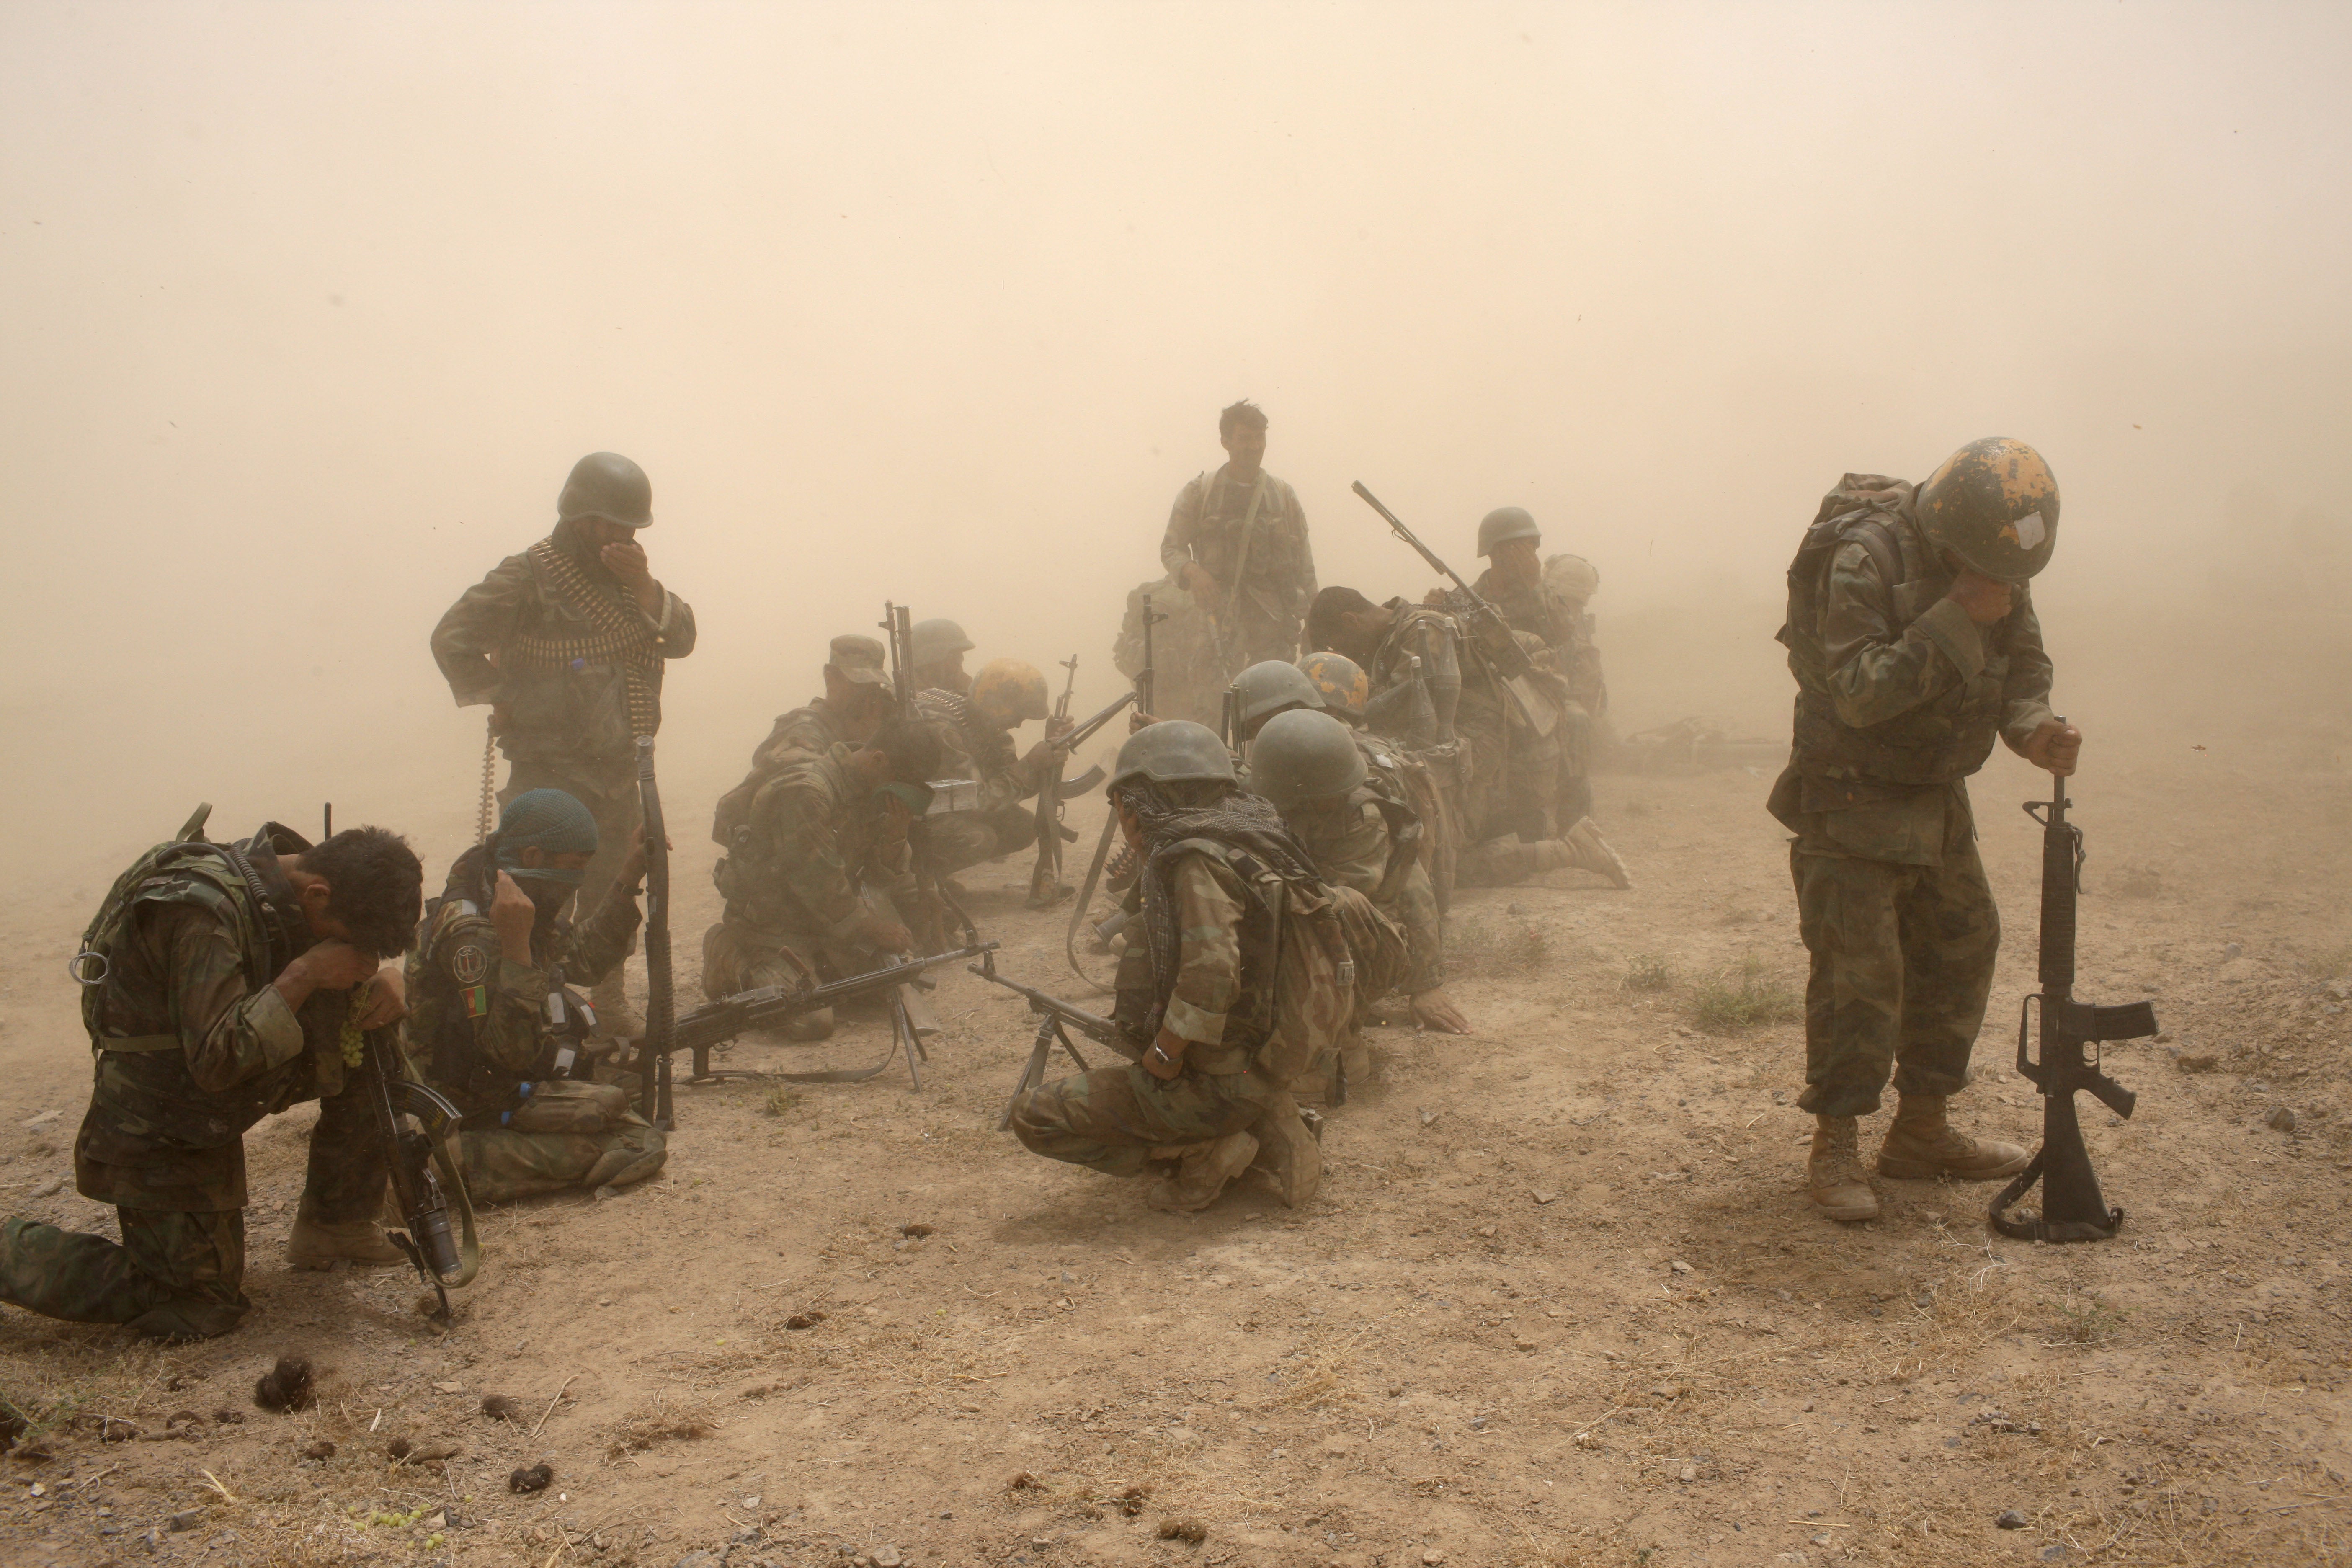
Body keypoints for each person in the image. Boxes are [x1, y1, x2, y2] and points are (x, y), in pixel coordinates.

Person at [1769, 438, 2078, 1224]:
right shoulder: (1865, 558)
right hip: (1850, 791)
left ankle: (1920, 1130)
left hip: (1934, 794)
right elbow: (1858, 692)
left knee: (1961, 946)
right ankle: (1836, 1144)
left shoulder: (1995, 557)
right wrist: (1956, 616)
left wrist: (2034, 727)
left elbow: (2023, 665)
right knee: (1859, 974)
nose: (2002, 585)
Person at [0, 819, 424, 1340]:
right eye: (349, 942)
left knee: (375, 1050)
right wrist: (306, 974)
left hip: (215, 1094)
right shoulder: (200, 911)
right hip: (160, 1114)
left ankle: (335, 1225)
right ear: (318, 894)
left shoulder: (298, 882)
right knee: (200, 1304)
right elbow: (217, 1060)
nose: (353, 954)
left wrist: (384, 978)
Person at [1008, 722, 1351, 1212]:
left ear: (1136, 805)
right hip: (1265, 1061)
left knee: (1034, 1117)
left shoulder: (1195, 861)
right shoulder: (1254, 839)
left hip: (1217, 1079)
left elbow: (1211, 976)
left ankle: (1205, 1151)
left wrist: (1164, 1054)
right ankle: (1268, 1121)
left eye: (1122, 804)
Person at [431, 451, 696, 1042]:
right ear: (580, 516)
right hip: (548, 769)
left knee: (612, 886)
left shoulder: (630, 583)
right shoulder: (529, 575)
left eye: (630, 526)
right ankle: (519, 1015)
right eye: (612, 523)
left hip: (620, 765)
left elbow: (681, 639)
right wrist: (502, 696)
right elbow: (452, 637)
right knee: (537, 891)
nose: (624, 535)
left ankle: (607, 1000)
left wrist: (644, 586)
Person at [405, 791, 666, 1203]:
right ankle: (451, 1162)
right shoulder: (478, 934)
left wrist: (630, 875)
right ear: (532, 856)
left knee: (628, 1088)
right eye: (574, 866)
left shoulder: (509, 892)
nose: (579, 879)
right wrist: (516, 949)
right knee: (636, 1141)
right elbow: (509, 1053)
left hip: (498, 1076)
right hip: (469, 1099)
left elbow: (583, 959)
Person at [1308, 588, 1627, 889]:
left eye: (1337, 646)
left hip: (1471, 749)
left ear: (1351, 621)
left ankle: (1569, 850)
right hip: (1448, 747)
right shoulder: (1398, 634)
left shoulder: (1421, 630)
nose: (1343, 655)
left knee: (1444, 869)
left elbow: (1401, 707)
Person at [1249, 707, 1469, 1075]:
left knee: (1317, 918)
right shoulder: (1274, 792)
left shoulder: (1362, 818)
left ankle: (1338, 1041)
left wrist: (1425, 983)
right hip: (1312, 918)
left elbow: (1334, 908)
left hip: (1355, 935)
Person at [703, 720, 941, 1041]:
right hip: (774, 925)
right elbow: (817, 883)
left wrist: (896, 836)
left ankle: (820, 968)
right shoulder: (807, 792)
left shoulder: (868, 788)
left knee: (889, 984)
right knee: (811, 1021)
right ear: (879, 760)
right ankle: (728, 953)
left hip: (826, 922)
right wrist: (873, 928)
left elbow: (876, 879)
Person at [1158, 401, 1318, 681]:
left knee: (1271, 701)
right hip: (1217, 626)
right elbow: (1171, 548)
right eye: (1245, 438)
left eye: (1260, 438)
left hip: (1273, 629)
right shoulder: (1200, 493)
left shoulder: (1282, 495)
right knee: (1212, 702)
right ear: (1225, 441)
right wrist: (1194, 572)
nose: (1254, 447)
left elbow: (1305, 565)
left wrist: (1314, 623)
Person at [914, 658, 1073, 880]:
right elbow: (975, 801)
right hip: (910, 817)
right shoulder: (942, 727)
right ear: (996, 705)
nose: (1018, 725)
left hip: (942, 809)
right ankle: (916, 883)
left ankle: (931, 880)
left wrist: (1047, 755)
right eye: (1017, 716)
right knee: (979, 838)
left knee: (1023, 826)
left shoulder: (983, 725)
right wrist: (1030, 764)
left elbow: (1006, 791)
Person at [746, 634, 895, 774]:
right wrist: (864, 745)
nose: (868, 695)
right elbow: (809, 780)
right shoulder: (806, 730)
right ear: (830, 681)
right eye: (859, 684)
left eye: (873, 685)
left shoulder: (860, 721)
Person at [909, 618, 976, 695]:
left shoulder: (969, 687)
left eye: (960, 654)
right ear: (929, 661)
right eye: (952, 656)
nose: (961, 660)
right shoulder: (905, 699)